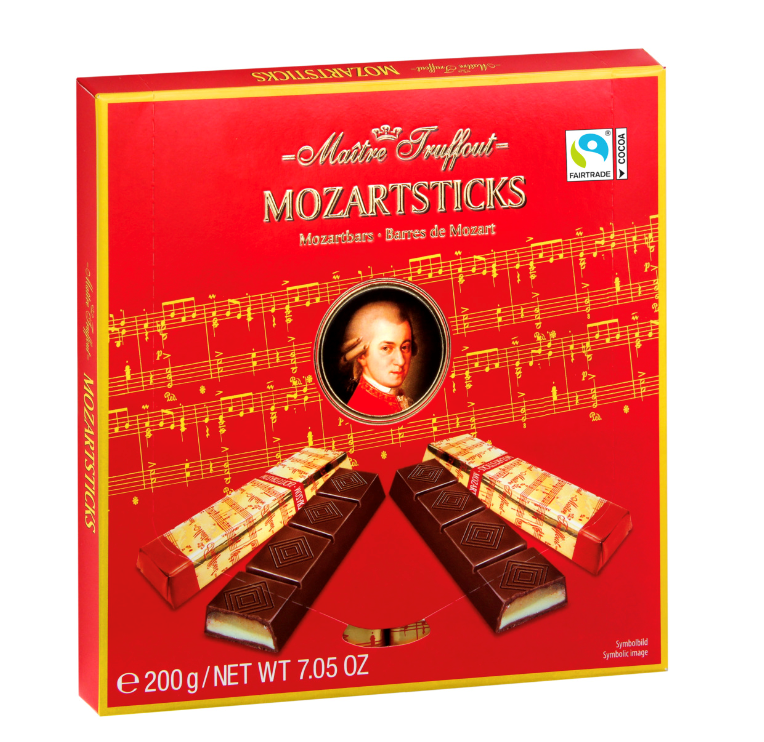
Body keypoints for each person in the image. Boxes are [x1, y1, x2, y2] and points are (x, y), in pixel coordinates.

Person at [340, 301, 416, 415]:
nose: (400, 361)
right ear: (361, 355)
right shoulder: (363, 409)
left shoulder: (397, 396)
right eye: (386, 348)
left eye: (404, 347)